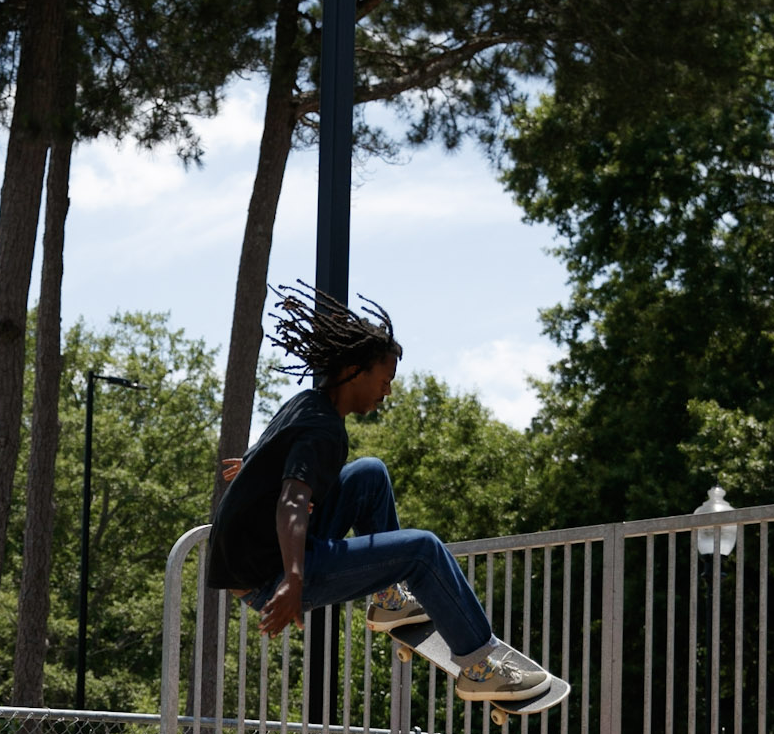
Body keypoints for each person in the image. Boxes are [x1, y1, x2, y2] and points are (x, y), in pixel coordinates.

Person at [205, 282, 550, 702]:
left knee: (370, 473)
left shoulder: (307, 403)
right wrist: (293, 581)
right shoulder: (323, 429)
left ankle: (389, 599)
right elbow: (292, 500)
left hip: (265, 557)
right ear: (355, 371)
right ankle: (479, 665)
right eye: (384, 381)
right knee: (423, 550)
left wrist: (256, 471)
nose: (387, 392)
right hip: (271, 577)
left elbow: (270, 460)